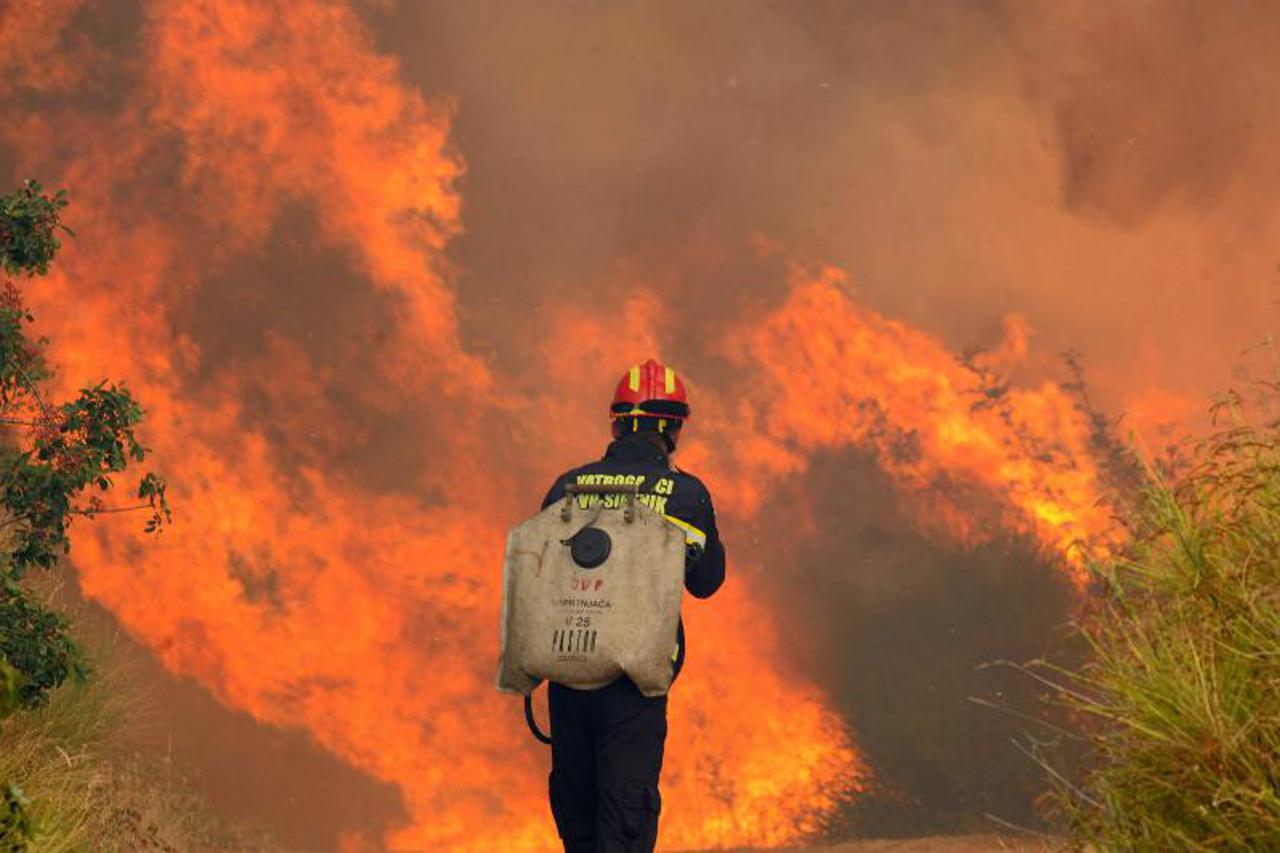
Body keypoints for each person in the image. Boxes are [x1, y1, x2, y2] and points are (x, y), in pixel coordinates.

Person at [539, 358, 726, 853]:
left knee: (578, 819)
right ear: (672, 430)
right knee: (625, 818)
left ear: (617, 423)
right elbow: (707, 583)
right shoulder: (685, 493)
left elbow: (535, 578)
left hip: (567, 679)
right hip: (633, 687)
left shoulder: (567, 487)